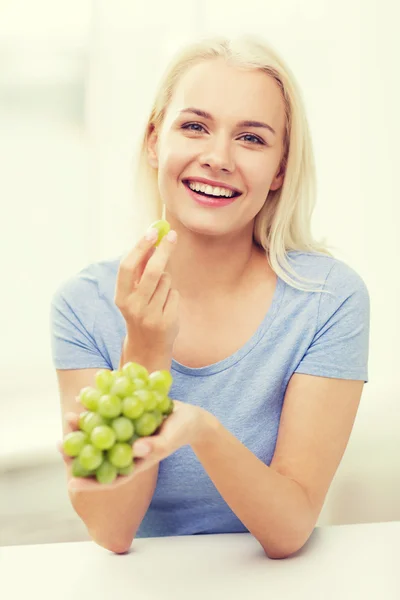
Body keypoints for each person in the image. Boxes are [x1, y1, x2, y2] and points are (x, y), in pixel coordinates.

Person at [50, 34, 370, 559]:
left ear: (280, 171)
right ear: (155, 141)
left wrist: (201, 429)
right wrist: (147, 349)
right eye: (195, 126)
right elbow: (111, 530)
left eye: (251, 139)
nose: (218, 158)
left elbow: (289, 530)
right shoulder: (82, 306)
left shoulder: (327, 301)